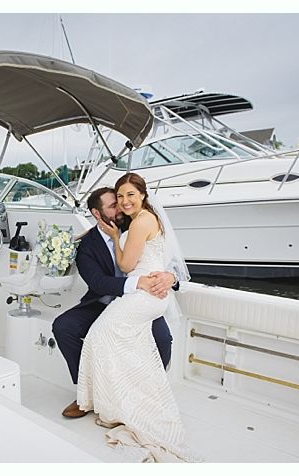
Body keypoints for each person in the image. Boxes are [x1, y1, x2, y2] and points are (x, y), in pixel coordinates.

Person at [75, 172, 198, 462]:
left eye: (130, 194)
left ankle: (125, 403)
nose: (124, 202)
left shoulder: (141, 221)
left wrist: (118, 239)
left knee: (99, 335)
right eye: (119, 197)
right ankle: (118, 399)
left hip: (147, 294)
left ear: (143, 194)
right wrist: (118, 235)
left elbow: (127, 264)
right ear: (100, 211)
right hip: (138, 294)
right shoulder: (136, 222)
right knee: (110, 339)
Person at [52, 186, 177, 420]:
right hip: (104, 302)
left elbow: (164, 258)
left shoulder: (136, 224)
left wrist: (172, 278)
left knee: (163, 340)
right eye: (112, 205)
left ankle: (144, 394)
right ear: (97, 214)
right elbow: (98, 283)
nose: (120, 208)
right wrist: (136, 283)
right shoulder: (87, 246)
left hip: (142, 302)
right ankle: (86, 394)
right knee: (63, 326)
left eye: (119, 202)